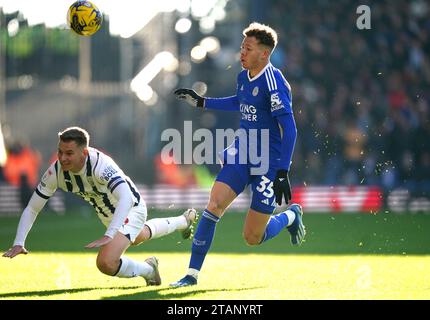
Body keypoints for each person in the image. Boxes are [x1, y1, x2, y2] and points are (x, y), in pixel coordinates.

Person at [170, 22, 306, 287]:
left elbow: (289, 130)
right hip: (242, 152)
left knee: (252, 237)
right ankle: (191, 275)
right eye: (242, 47)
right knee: (214, 204)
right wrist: (202, 102)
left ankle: (291, 215)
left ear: (264, 54)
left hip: (268, 162)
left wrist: (282, 171)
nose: (241, 53)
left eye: (248, 48)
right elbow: (239, 100)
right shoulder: (244, 77)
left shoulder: (275, 83)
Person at [2, 126, 197, 286]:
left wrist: (110, 233)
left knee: (105, 262)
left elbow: (126, 199)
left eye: (69, 153)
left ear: (84, 152)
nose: (62, 158)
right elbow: (33, 208)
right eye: (60, 152)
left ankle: (148, 270)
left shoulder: (100, 166)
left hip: (131, 207)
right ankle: (181, 224)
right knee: (138, 237)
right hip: (107, 214)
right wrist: (19, 241)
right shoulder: (56, 172)